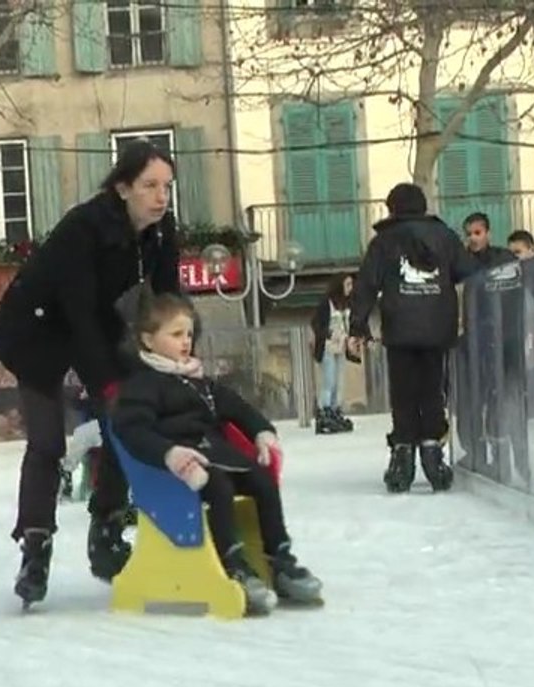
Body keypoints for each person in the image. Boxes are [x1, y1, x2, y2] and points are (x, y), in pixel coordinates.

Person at [0, 139, 185, 606]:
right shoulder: (85, 227)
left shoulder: (161, 231)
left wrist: (175, 355)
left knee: (125, 422)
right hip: (36, 328)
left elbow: (168, 301)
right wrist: (107, 382)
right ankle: (35, 551)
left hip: (98, 324)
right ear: (123, 187)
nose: (160, 197)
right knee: (47, 443)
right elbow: (77, 313)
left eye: (167, 187)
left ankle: (107, 526)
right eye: (149, 186)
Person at [112, 292, 322, 614]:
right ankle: (232, 564)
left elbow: (239, 408)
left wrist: (262, 433)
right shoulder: (143, 385)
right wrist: (170, 454)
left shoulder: (199, 382)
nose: (186, 342)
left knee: (262, 480)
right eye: (176, 334)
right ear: (148, 341)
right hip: (175, 472)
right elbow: (132, 431)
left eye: (189, 334)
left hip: (216, 456)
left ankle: (279, 560)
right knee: (218, 486)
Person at [348, 183, 482, 493]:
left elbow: (366, 283)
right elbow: (467, 271)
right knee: (432, 390)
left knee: (404, 392)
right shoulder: (445, 236)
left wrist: (358, 325)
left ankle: (403, 453)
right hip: (438, 327)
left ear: (393, 207)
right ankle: (433, 449)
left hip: (400, 328)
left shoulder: (384, 241)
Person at [309, 273, 356, 435]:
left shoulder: (347, 304)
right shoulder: (327, 303)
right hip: (329, 346)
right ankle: (325, 410)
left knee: (339, 380)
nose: (350, 288)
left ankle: (336, 408)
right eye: (348, 284)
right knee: (328, 380)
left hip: (341, 347)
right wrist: (329, 334)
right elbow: (316, 323)